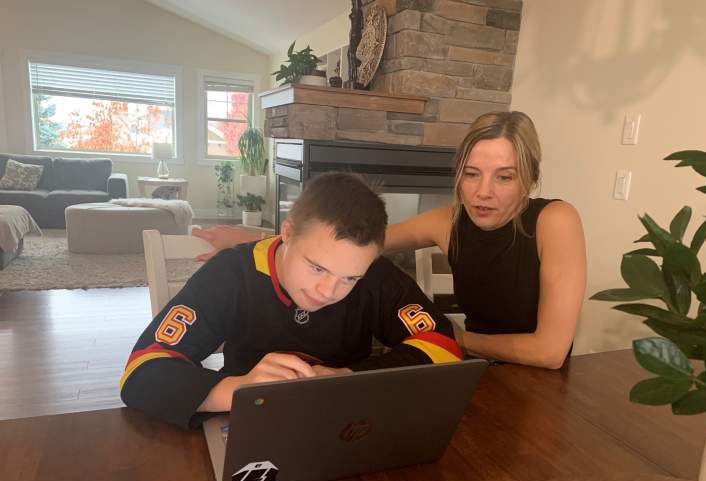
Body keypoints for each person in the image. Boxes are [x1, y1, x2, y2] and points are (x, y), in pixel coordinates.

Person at [192, 111, 586, 370]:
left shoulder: (556, 220)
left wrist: (460, 339)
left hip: (535, 378)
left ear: (529, 179)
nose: (484, 192)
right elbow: (350, 242)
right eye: (471, 174)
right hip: (471, 367)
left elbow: (550, 353)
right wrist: (258, 241)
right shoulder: (448, 221)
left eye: (504, 176)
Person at [120, 172, 463, 429]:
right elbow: (142, 372)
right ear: (286, 233)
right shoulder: (231, 274)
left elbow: (443, 346)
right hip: (245, 423)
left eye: (349, 279)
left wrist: (348, 376)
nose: (328, 290)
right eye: (316, 267)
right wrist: (239, 389)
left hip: (347, 424)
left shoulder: (375, 274)